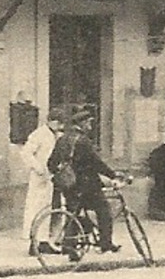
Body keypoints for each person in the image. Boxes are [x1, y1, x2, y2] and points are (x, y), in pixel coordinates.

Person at [48, 108, 127, 253]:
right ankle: (105, 243)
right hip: (87, 186)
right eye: (88, 123)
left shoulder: (62, 139)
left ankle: (69, 245)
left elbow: (51, 164)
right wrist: (113, 174)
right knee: (104, 211)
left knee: (73, 214)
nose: (90, 126)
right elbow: (96, 163)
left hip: (68, 186)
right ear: (82, 124)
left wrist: (64, 175)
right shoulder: (83, 141)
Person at [22, 108, 64, 253]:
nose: (58, 125)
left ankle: (48, 241)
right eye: (55, 121)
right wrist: (39, 168)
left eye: (60, 122)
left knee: (54, 209)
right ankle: (35, 243)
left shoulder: (58, 135)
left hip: (53, 178)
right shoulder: (39, 134)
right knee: (37, 209)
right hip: (40, 179)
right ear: (49, 121)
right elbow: (26, 153)